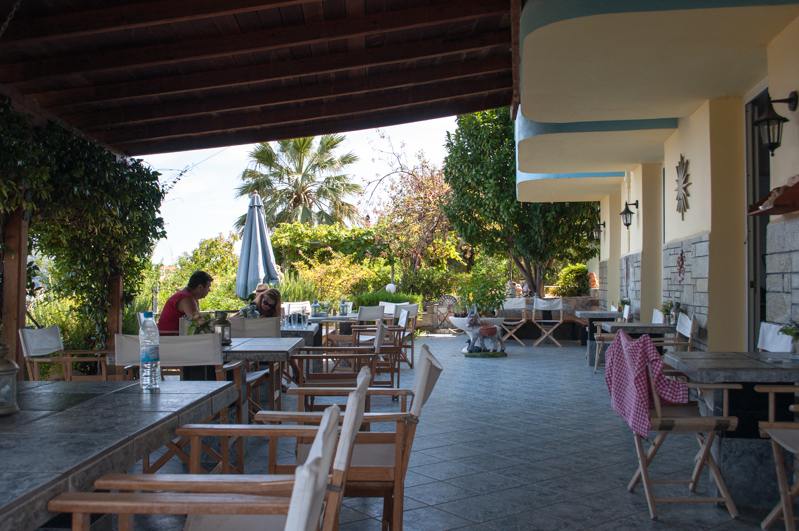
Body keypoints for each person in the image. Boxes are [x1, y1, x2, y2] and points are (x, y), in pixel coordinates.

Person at [157, 271, 213, 335]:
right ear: (200, 287)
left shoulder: (187, 295)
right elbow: (198, 321)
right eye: (208, 287)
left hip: (170, 337)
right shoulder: (186, 298)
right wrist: (216, 324)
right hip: (168, 338)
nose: (209, 290)